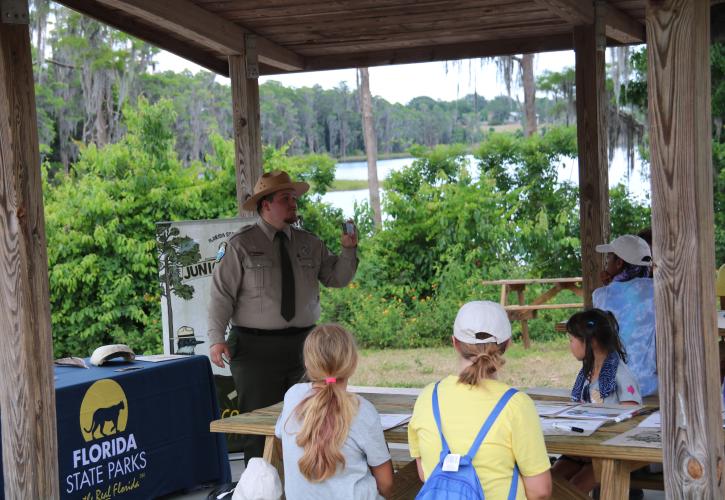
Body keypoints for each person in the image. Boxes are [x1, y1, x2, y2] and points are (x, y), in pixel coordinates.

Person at [207, 170, 358, 463]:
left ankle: (305, 483)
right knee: (260, 424)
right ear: (265, 205)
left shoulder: (309, 243)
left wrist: (348, 251)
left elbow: (336, 278)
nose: (293, 204)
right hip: (254, 348)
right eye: (285, 199)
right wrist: (216, 339)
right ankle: (259, 486)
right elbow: (220, 295)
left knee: (309, 416)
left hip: (305, 346)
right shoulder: (241, 245)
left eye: (294, 198)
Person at [408, 301, 552, 500]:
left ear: (455, 343)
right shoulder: (516, 405)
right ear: (508, 344)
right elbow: (540, 491)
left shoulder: (427, 397)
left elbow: (426, 473)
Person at [274, 324, 393, 500]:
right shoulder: (362, 410)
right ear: (353, 363)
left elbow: (280, 435)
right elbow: (386, 483)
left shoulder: (293, 395)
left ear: (307, 363)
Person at [552, 308, 642, 494]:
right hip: (582, 448)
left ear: (590, 341)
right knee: (550, 481)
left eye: (571, 340)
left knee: (574, 488)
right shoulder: (587, 373)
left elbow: (632, 416)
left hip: (608, 451)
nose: (570, 345)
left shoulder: (620, 375)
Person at [593, 234, 657, 396]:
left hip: (614, 386)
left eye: (608, 260)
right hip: (649, 384)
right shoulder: (659, 291)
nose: (606, 265)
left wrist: (609, 286)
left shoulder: (600, 295)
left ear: (619, 263)